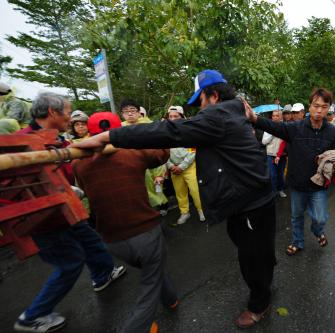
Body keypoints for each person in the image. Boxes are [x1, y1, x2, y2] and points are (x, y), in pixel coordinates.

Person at [72, 69, 276, 329]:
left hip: (249, 203)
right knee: (260, 250)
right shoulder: (234, 111)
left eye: (199, 101)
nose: (199, 110)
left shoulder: (217, 114)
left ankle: (260, 303)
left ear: (212, 95)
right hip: (252, 198)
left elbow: (168, 131)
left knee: (251, 258)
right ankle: (266, 278)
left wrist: (108, 136)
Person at [13, 93, 125, 333]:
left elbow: (67, 157)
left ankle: (103, 274)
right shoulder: (20, 143)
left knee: (91, 240)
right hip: (45, 216)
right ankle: (33, 316)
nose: (70, 117)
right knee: (69, 263)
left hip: (66, 208)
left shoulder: (54, 139)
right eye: (67, 111)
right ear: (53, 112)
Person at [72, 112, 177, 333]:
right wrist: (158, 131)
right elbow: (162, 154)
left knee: (152, 268)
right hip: (145, 232)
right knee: (150, 282)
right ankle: (138, 327)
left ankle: (171, 299)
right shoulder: (132, 152)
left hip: (112, 240)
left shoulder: (78, 163)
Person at [245, 88, 335, 255]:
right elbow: (273, 127)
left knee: (320, 218)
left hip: (319, 185)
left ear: (329, 108)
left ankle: (318, 231)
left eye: (324, 106)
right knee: (296, 216)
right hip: (297, 183)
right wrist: (254, 118)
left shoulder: (332, 132)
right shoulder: (295, 128)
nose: (319, 110)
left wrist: (333, 162)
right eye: (316, 105)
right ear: (309, 106)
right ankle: (297, 242)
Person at [120, 99, 169, 214]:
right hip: (130, 171)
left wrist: (159, 174)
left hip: (150, 170)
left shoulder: (149, 127)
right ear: (122, 114)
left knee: (153, 199)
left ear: (138, 112)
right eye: (126, 111)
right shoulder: (118, 130)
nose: (130, 113)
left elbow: (158, 150)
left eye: (133, 110)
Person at [165, 105, 205, 224]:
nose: (173, 118)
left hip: (189, 166)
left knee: (195, 190)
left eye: (176, 116)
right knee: (180, 192)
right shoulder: (165, 132)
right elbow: (163, 151)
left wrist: (182, 166)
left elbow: (193, 151)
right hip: (173, 168)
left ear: (182, 117)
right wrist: (170, 166)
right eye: (170, 116)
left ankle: (201, 210)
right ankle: (184, 212)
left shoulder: (188, 130)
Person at [262, 109, 287, 198]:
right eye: (273, 116)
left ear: (281, 117)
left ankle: (280, 189)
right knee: (272, 175)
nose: (275, 117)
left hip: (282, 156)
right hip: (270, 155)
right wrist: (272, 133)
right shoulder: (268, 127)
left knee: (280, 174)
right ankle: (273, 192)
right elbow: (264, 142)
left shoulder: (284, 127)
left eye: (277, 115)